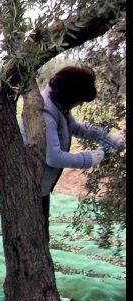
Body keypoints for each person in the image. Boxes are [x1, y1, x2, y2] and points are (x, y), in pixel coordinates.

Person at [19, 65, 125, 238]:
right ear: (70, 95)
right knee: (36, 240)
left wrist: (108, 136)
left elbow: (75, 127)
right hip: (30, 188)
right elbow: (54, 158)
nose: (80, 103)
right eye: (80, 99)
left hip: (39, 186)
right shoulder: (46, 112)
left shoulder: (57, 105)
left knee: (40, 238)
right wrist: (89, 158)